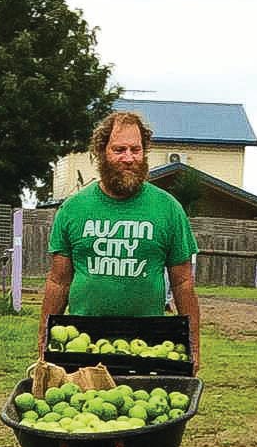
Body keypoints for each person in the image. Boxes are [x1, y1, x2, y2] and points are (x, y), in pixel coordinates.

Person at [39, 110, 201, 369]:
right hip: (82, 343)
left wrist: (193, 347)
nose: (129, 158)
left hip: (148, 345)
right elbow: (59, 282)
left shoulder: (168, 209)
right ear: (102, 152)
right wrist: (44, 343)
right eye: (119, 150)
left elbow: (182, 283)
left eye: (136, 150)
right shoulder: (73, 209)